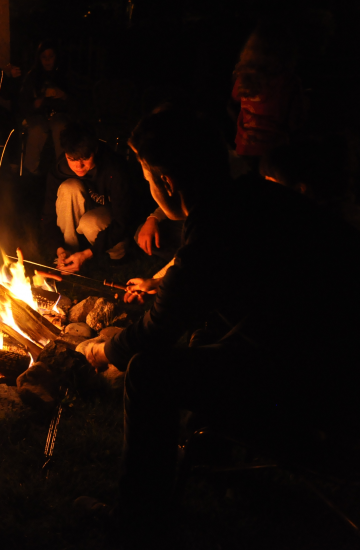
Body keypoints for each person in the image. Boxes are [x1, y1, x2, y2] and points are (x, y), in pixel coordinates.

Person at [77, 110, 360, 548]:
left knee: (148, 374)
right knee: (207, 336)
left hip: (327, 401)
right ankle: (213, 461)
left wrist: (104, 351)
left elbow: (155, 332)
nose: (150, 189)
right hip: (332, 365)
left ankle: (138, 525)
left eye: (149, 180)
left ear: (167, 181)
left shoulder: (213, 234)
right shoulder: (258, 199)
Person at [40, 122, 131, 272]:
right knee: (68, 187)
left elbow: (123, 221)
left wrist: (88, 254)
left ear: (95, 150)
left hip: (110, 219)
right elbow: (48, 216)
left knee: (90, 222)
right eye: (72, 159)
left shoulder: (114, 169)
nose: (79, 166)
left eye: (85, 158)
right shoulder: (60, 170)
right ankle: (68, 255)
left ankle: (118, 255)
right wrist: (59, 248)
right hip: (86, 215)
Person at [229, 22, 306, 160]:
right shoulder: (288, 82)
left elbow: (234, 100)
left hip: (245, 148)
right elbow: (295, 122)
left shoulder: (244, 77)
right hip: (274, 153)